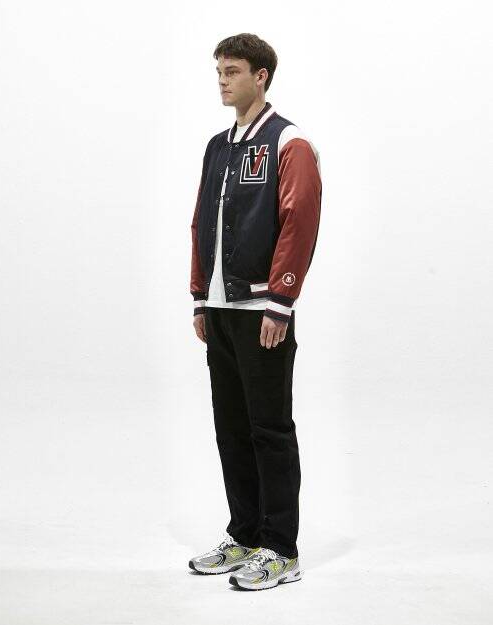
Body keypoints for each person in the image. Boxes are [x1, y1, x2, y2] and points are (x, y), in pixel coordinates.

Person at [188, 33, 322, 591]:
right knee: (231, 427)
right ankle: (243, 534)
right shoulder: (218, 146)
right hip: (220, 310)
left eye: (233, 71)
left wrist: (281, 302)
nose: (222, 80)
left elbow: (299, 221)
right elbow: (201, 219)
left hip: (263, 309)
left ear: (261, 76)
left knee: (269, 429)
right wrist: (201, 295)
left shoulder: (289, 142)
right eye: (219, 71)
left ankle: (281, 548)